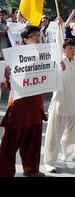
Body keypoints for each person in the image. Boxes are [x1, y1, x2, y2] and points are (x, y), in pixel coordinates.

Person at [0, 26, 53, 177]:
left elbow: (51, 77)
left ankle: (31, 169)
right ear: (25, 40)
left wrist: (59, 68)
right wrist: (7, 77)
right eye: (34, 36)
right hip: (19, 105)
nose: (38, 38)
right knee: (9, 143)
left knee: (33, 141)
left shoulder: (45, 56)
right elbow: (8, 81)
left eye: (39, 35)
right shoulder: (15, 55)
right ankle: (4, 172)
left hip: (36, 105)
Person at [43, 19, 75, 173]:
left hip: (74, 106)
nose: (72, 50)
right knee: (53, 137)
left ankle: (69, 155)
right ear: (63, 49)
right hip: (59, 106)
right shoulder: (57, 61)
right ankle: (49, 161)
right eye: (69, 48)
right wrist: (59, 27)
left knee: (71, 135)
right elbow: (56, 45)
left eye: (73, 48)